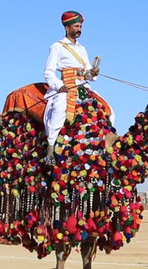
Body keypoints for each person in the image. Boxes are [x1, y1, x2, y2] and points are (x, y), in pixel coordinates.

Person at [43, 11, 115, 166]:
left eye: (80, 26)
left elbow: (88, 72)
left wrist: (92, 73)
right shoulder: (57, 46)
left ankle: (107, 147)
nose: (79, 29)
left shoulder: (82, 49)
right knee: (59, 109)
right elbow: (48, 72)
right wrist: (59, 86)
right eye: (76, 26)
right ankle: (50, 149)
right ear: (67, 27)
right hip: (66, 87)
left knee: (108, 110)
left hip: (84, 87)